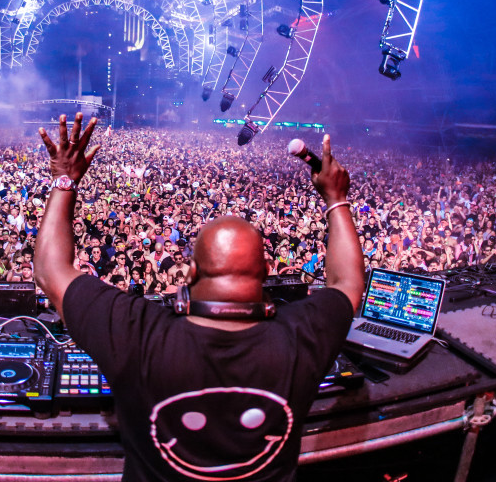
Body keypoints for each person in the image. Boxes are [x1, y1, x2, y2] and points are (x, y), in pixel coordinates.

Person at [35, 114, 364, 482]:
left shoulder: (135, 334)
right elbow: (348, 283)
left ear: (189, 273)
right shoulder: (303, 338)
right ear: (266, 270)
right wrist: (337, 199)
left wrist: (64, 180)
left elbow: (50, 270)